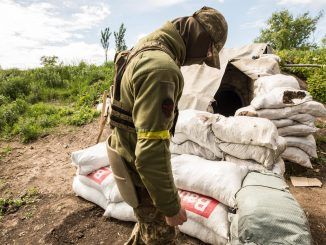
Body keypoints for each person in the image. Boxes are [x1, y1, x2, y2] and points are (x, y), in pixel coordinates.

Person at [108, 6, 228, 245]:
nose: (203, 59)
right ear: (200, 37)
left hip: (126, 155)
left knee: (147, 229)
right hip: (141, 171)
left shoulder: (145, 47)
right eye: (207, 52)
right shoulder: (161, 69)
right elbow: (150, 153)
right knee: (160, 237)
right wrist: (170, 207)